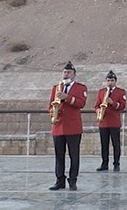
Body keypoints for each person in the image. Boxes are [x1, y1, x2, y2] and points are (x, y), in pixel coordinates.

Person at [48, 61, 87, 191]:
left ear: (74, 74)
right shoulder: (56, 88)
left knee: (74, 155)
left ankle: (73, 180)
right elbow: (50, 105)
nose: (66, 74)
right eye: (64, 72)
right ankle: (59, 180)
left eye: (69, 72)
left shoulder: (81, 88)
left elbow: (81, 103)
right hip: (58, 126)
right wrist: (54, 112)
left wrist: (67, 97)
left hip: (73, 127)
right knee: (59, 155)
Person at [94, 70, 127, 172]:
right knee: (104, 144)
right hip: (103, 122)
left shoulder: (121, 92)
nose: (110, 82)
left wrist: (113, 103)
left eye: (112, 80)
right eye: (108, 80)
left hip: (114, 122)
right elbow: (96, 105)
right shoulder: (101, 92)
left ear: (115, 81)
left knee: (115, 144)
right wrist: (98, 110)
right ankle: (104, 163)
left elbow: (122, 106)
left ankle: (116, 164)